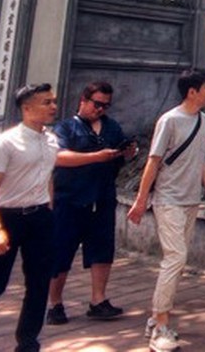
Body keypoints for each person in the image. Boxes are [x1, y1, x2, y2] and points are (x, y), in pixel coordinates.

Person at [128, 68, 205, 352]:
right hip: (168, 200)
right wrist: (141, 200)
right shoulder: (169, 120)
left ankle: (156, 317)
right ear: (191, 91)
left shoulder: (202, 120)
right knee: (175, 258)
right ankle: (161, 327)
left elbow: (200, 157)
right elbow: (153, 162)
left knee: (178, 262)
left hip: (191, 199)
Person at [0, 83, 60, 352]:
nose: (53, 107)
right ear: (27, 108)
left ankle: (27, 342)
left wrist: (49, 207)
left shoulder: (51, 139)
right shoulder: (5, 142)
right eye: (46, 102)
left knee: (38, 283)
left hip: (40, 219)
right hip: (8, 219)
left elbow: (47, 176)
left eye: (53, 101)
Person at [46, 81, 136, 325]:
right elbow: (59, 157)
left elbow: (118, 155)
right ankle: (54, 303)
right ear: (83, 101)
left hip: (102, 197)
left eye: (106, 105)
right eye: (97, 104)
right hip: (70, 199)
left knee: (102, 251)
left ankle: (98, 300)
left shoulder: (111, 127)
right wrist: (96, 156)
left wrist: (127, 152)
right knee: (61, 252)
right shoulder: (66, 128)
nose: (101, 110)